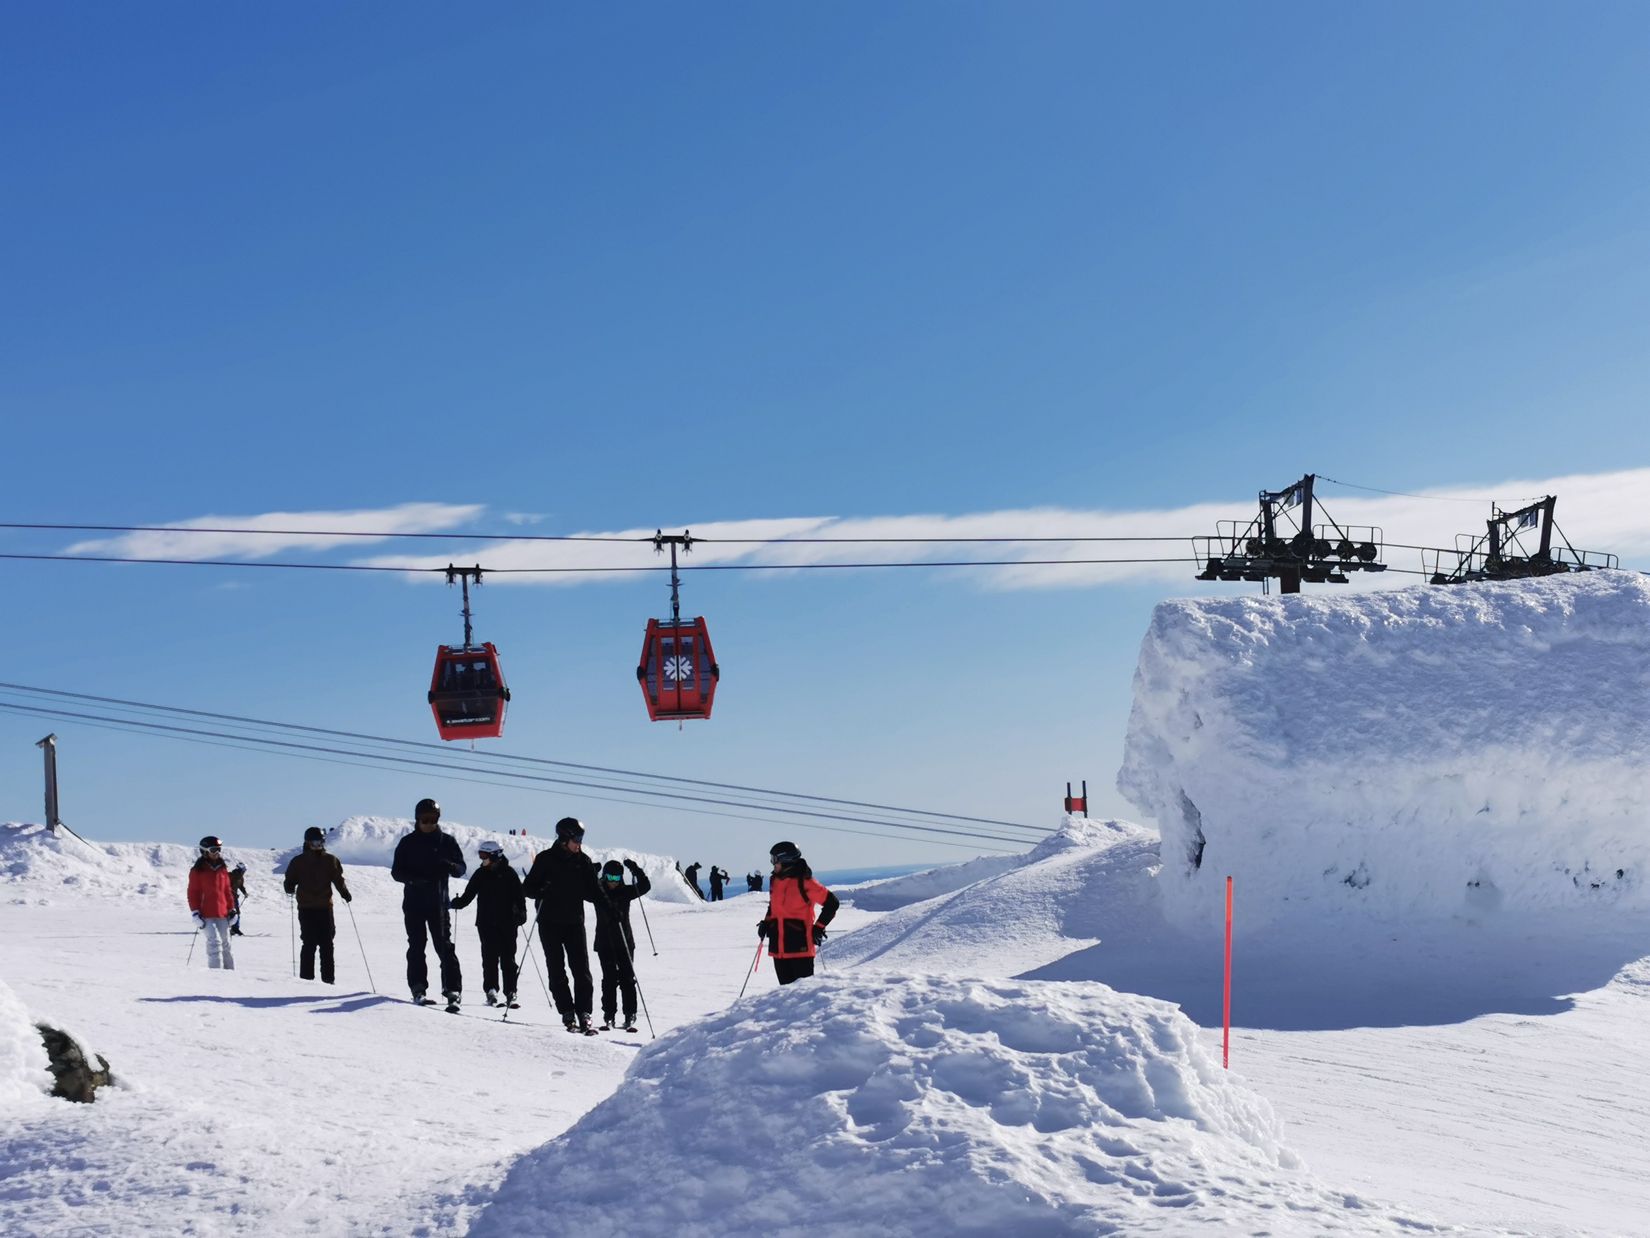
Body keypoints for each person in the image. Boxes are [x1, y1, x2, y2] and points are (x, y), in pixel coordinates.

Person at [521, 817, 600, 1034]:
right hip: (549, 923)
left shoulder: (583, 861)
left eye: (581, 840)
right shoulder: (545, 859)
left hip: (574, 923)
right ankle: (566, 1011)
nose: (579, 844)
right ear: (565, 839)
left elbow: (594, 892)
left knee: (581, 970)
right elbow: (527, 888)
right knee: (556, 970)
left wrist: (609, 907)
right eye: (576, 840)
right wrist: (541, 891)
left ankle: (584, 1013)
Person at [390, 798, 466, 1010]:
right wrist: (413, 880)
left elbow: (461, 868)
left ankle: (452, 990)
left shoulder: (447, 842)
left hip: (438, 905)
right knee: (416, 946)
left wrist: (451, 866)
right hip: (414, 904)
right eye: (425, 819)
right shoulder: (407, 842)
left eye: (433, 819)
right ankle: (418, 988)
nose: (429, 824)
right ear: (417, 819)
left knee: (444, 946)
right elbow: (396, 872)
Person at [449, 840, 526, 1008]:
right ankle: (491, 990)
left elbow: (520, 897)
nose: (482, 859)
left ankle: (511, 992)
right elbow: (469, 895)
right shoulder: (480, 873)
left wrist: (521, 913)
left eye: (484, 855)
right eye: (480, 855)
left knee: (508, 959)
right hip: (486, 923)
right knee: (489, 958)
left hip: (508, 923)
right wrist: (456, 903)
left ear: (495, 856)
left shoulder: (509, 874)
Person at [758, 840, 838, 985]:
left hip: (800, 949)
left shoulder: (806, 882)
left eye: (774, 860)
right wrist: (766, 923)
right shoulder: (775, 881)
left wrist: (819, 928)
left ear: (786, 860)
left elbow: (832, 903)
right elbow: (773, 906)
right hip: (779, 950)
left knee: (803, 994)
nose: (772, 863)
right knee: (785, 995)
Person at [283, 826, 352, 984]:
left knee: (327, 944)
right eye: (314, 842)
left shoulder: (330, 860)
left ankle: (328, 980)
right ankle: (306, 981)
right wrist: (289, 886)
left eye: (320, 842)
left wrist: (344, 893)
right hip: (306, 909)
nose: (318, 845)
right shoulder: (298, 861)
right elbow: (290, 879)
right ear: (307, 843)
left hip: (324, 908)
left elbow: (338, 879)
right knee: (309, 943)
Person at [591, 858, 651, 1031]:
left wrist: (636, 869)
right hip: (605, 943)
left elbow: (645, 886)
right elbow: (582, 887)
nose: (613, 882)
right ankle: (609, 1014)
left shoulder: (626, 891)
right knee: (609, 979)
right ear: (604, 876)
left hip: (625, 942)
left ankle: (630, 1014)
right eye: (610, 877)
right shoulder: (598, 891)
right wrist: (591, 872)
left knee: (627, 979)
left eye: (617, 878)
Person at [187, 836, 236, 970]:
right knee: (214, 943)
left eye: (219, 849)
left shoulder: (222, 869)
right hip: (206, 915)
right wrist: (195, 912)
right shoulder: (197, 871)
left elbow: (227, 891)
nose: (217, 852)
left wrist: (232, 909)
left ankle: (230, 974)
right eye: (214, 850)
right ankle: (216, 975)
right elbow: (193, 893)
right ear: (204, 851)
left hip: (222, 913)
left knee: (226, 943)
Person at [228, 863, 248, 936]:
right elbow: (226, 886)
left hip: (234, 898)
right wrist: (233, 893)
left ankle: (235, 929)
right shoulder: (230, 875)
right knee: (229, 913)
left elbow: (241, 886)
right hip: (227, 898)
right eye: (244, 870)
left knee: (237, 913)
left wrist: (245, 893)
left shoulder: (241, 878)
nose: (244, 872)